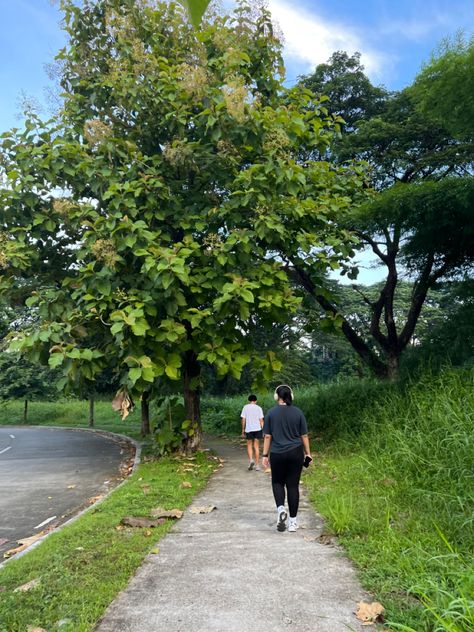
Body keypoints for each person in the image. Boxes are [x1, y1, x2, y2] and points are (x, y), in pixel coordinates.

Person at [262, 384, 312, 532]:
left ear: (276, 397)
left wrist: (265, 455)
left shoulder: (271, 413)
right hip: (295, 453)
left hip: (277, 454)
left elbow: (268, 436)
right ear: (291, 395)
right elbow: (304, 436)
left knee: (277, 482)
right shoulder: (298, 412)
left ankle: (281, 509)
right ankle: (293, 523)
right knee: (292, 486)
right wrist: (308, 453)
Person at [241, 394, 264, 471]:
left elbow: (243, 419)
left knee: (249, 445)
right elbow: (261, 420)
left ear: (249, 400)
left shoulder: (245, 407)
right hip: (257, 429)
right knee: (256, 447)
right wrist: (263, 430)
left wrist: (243, 430)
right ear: (256, 401)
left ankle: (251, 460)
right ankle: (257, 466)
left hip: (249, 429)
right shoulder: (259, 408)